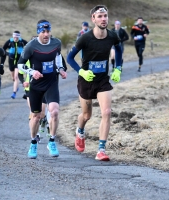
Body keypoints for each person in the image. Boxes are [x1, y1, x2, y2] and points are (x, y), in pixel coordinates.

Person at [67, 5, 122, 161]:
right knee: (86, 115)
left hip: (103, 80)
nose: (103, 19)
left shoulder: (112, 36)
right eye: (100, 16)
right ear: (93, 19)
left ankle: (101, 150)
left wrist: (118, 68)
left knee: (106, 112)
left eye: (105, 16)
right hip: (86, 81)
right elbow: (70, 58)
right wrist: (81, 71)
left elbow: (118, 50)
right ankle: (80, 131)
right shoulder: (85, 38)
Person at [18, 19, 67, 159]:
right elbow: (20, 65)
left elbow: (57, 58)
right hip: (36, 85)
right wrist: (32, 72)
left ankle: (52, 141)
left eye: (48, 31)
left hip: (51, 82)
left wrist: (61, 69)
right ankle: (33, 142)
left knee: (55, 111)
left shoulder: (56, 43)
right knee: (36, 116)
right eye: (43, 31)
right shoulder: (31, 46)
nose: (46, 34)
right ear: (38, 32)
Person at [3, 30, 28, 99]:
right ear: (13, 36)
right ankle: (16, 86)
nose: (15, 38)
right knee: (13, 77)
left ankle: (14, 93)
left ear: (19, 37)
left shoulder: (22, 42)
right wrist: (8, 54)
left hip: (19, 61)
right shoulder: (9, 42)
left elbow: (29, 47)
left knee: (16, 77)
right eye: (14, 37)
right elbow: (3, 50)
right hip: (11, 61)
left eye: (17, 37)